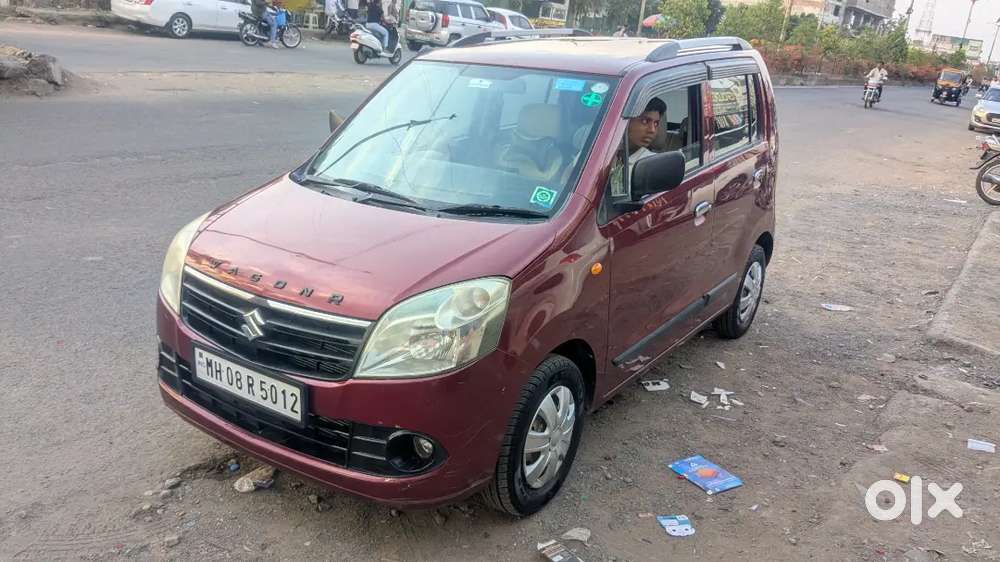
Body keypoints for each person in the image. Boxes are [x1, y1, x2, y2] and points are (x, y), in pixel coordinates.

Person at [609, 97, 666, 197]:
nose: (652, 130)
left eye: (656, 123)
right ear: (625, 122)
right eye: (644, 121)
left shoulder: (653, 164)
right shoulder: (601, 154)